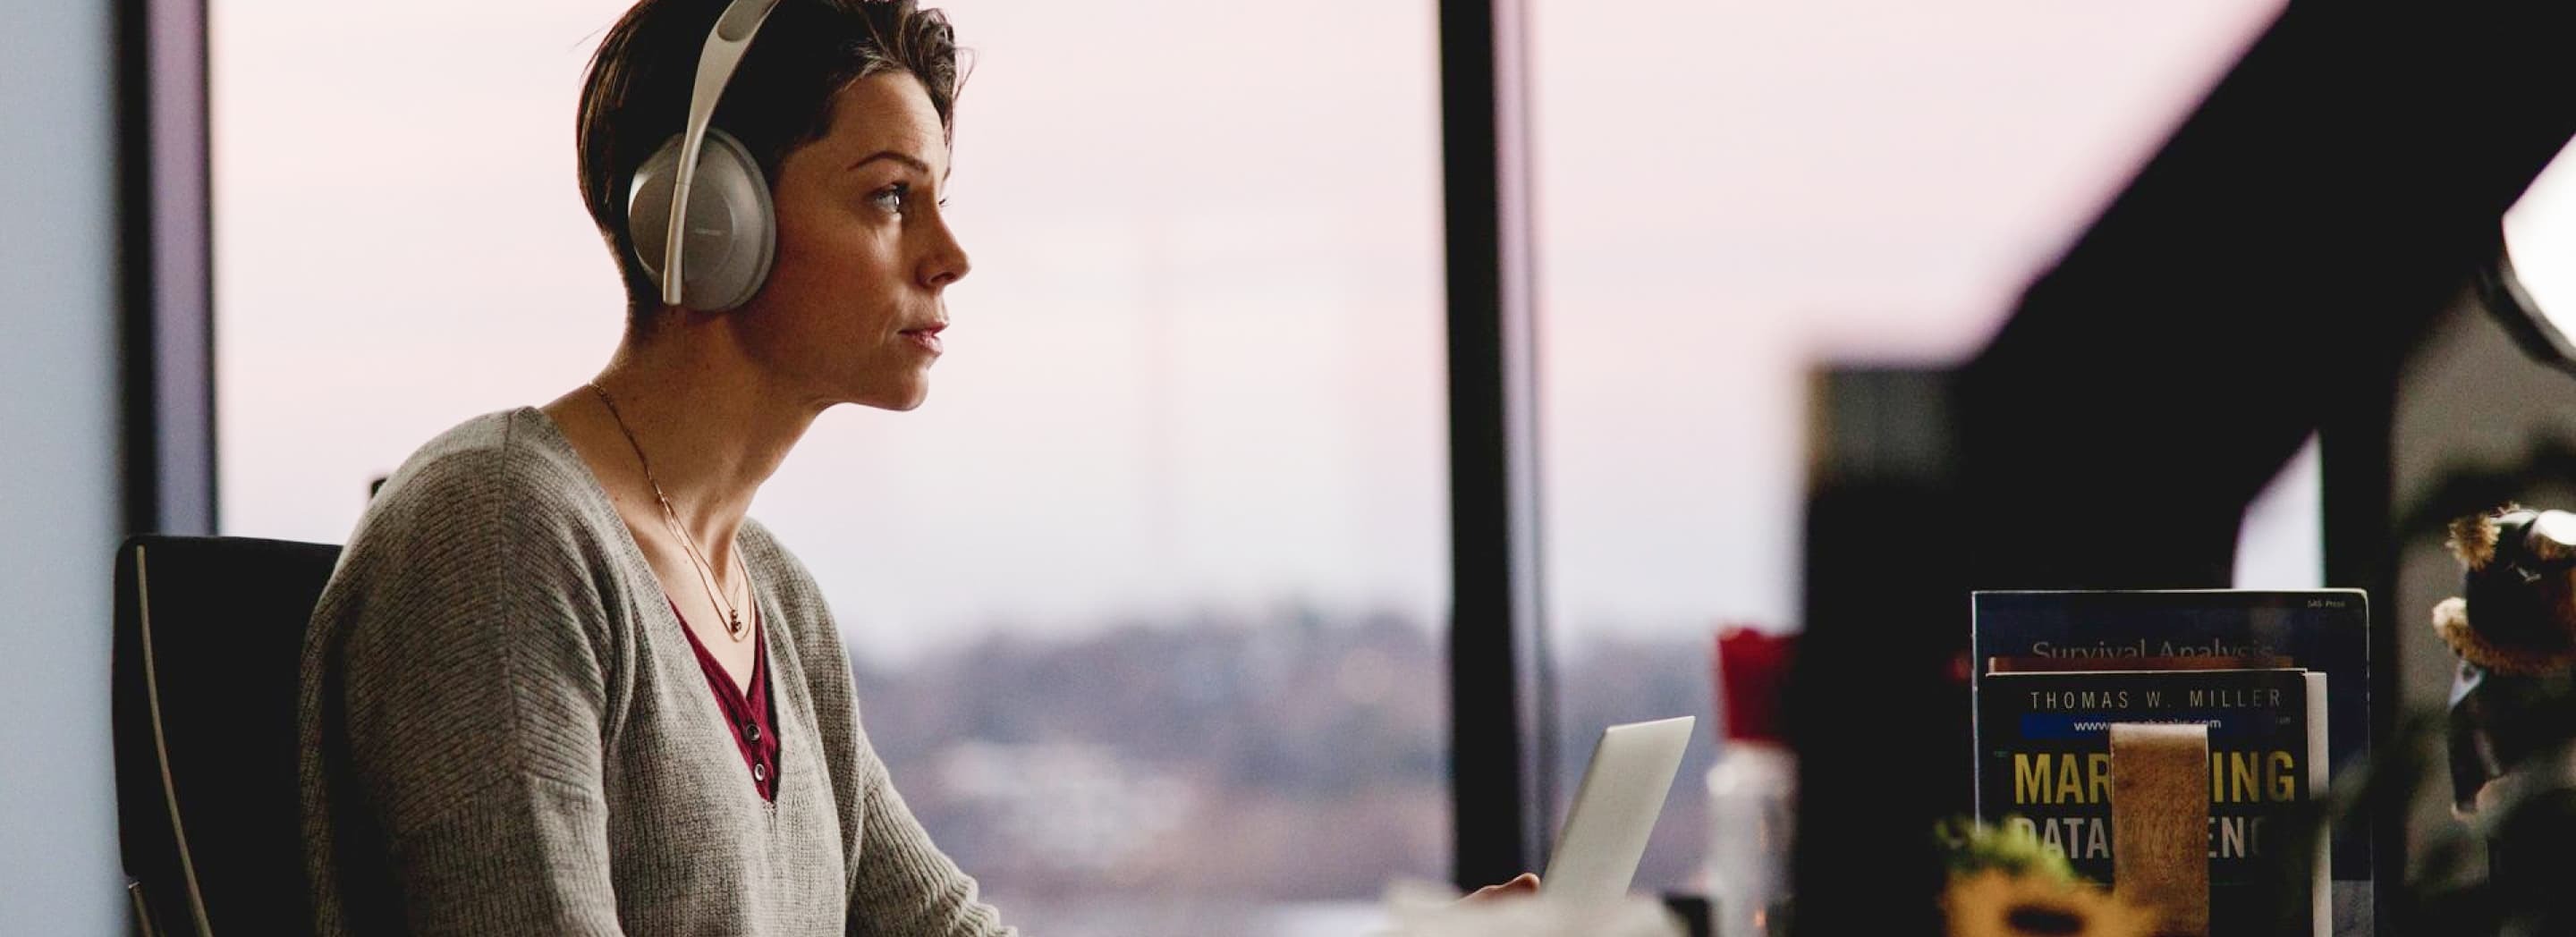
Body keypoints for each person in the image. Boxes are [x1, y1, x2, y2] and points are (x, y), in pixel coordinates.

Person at [296, 1, 1007, 933]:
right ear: (710, 216)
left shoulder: (778, 604)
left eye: (937, 201)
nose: (950, 257)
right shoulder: (498, 536)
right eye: (888, 197)